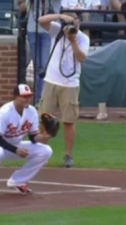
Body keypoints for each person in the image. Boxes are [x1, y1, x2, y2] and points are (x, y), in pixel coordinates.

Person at [38, 13, 90, 168]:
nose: (74, 26)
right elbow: (41, 20)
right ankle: (42, 154)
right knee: (45, 118)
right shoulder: (57, 30)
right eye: (71, 22)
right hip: (51, 80)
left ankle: (68, 155)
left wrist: (73, 40)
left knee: (68, 121)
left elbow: (82, 58)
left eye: (76, 23)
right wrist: (60, 16)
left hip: (70, 83)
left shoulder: (83, 38)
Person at [0, 84, 53, 196]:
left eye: (29, 96)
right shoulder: (5, 112)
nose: (28, 99)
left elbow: (33, 137)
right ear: (15, 97)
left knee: (46, 151)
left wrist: (44, 137)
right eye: (24, 96)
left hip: (14, 145)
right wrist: (16, 150)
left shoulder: (32, 111)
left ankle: (18, 181)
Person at [18, 0, 62, 106]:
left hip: (49, 30)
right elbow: (21, 7)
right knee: (37, 66)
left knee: (44, 66)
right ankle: (38, 99)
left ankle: (43, 99)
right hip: (33, 29)